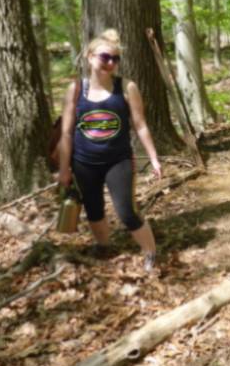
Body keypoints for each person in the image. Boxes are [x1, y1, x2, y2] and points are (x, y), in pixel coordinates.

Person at [57, 29, 161, 273]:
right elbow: (66, 133)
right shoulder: (75, 90)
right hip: (83, 162)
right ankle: (104, 246)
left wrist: (154, 158)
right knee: (93, 210)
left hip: (118, 160)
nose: (111, 63)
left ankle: (151, 253)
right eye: (105, 57)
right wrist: (64, 169)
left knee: (127, 212)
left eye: (115, 59)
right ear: (90, 56)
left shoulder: (126, 87)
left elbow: (141, 125)